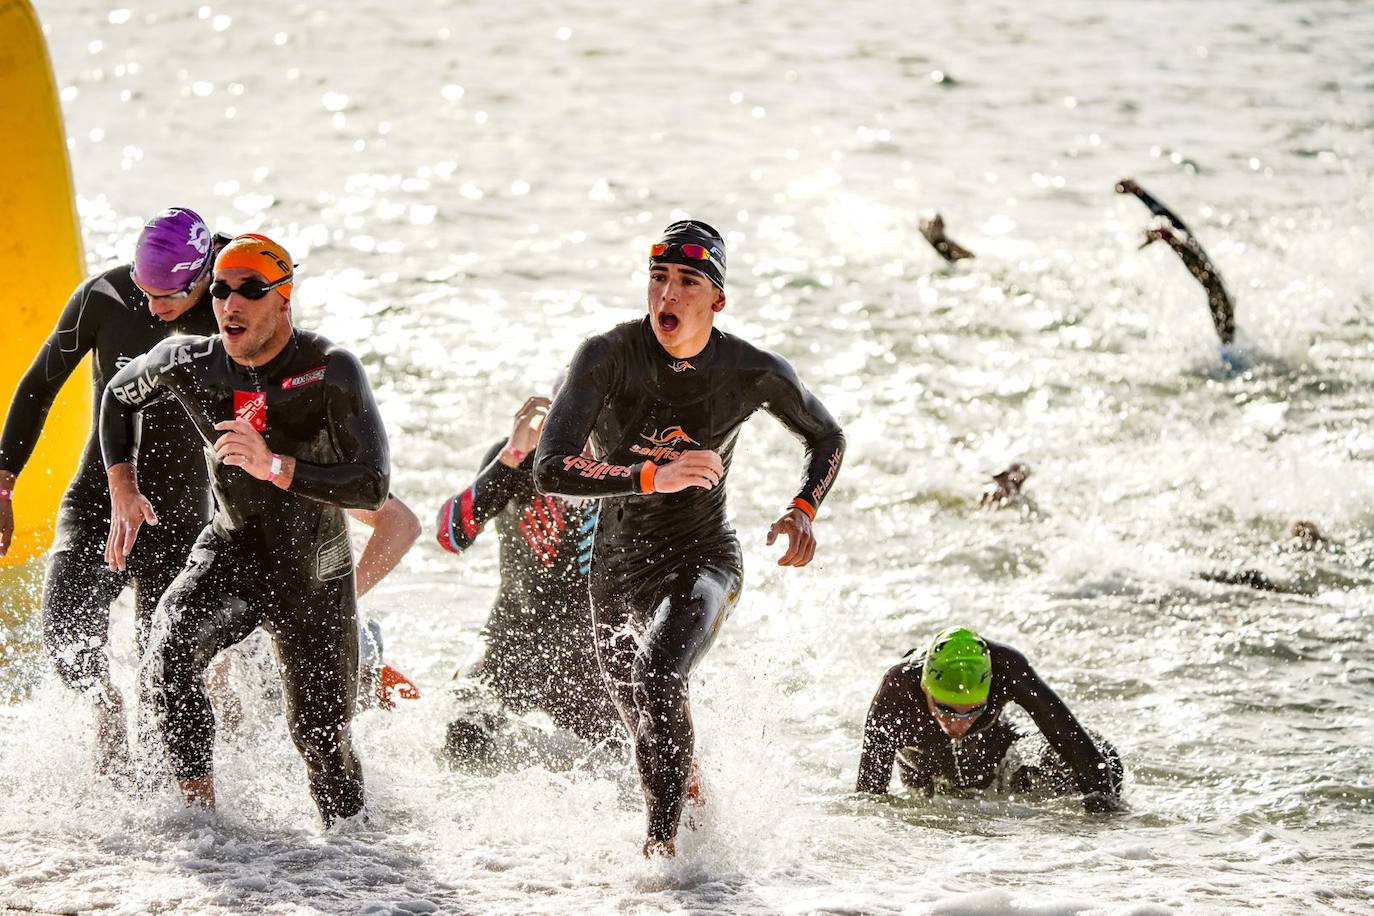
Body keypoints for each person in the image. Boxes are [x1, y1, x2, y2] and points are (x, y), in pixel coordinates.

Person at [534, 219, 846, 856]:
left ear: (717, 299)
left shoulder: (753, 372)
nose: (667, 295)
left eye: (686, 282)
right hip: (613, 567)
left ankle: (662, 857)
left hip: (702, 557)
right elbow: (552, 466)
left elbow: (827, 437)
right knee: (644, 722)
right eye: (658, 279)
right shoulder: (606, 357)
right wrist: (653, 474)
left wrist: (803, 508)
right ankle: (703, 836)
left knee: (658, 681)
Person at [100, 232, 390, 825]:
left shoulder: (330, 371)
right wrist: (122, 486)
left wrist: (274, 466)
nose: (231, 305)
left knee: (321, 743)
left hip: (314, 571)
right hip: (233, 550)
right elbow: (117, 396)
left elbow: (371, 486)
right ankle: (201, 825)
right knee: (169, 649)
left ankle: (361, 870)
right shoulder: (191, 362)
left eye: (251, 290)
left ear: (284, 298)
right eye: (222, 290)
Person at [0, 207, 224, 775]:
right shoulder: (104, 295)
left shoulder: (233, 304)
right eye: (144, 291)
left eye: (167, 297)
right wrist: (3, 480)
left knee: (166, 674)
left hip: (181, 513)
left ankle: (188, 823)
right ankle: (105, 712)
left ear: (201, 276)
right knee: (66, 637)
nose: (152, 308)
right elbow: (39, 384)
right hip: (99, 496)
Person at [436, 393, 620, 760]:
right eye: (568, 421)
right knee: (463, 733)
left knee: (622, 756)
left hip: (588, 656)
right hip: (509, 639)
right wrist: (510, 456)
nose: (581, 440)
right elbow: (451, 535)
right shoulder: (518, 463)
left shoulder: (627, 473)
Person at [207, 494, 422, 732]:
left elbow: (402, 523)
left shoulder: (299, 470)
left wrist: (344, 597)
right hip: (254, 631)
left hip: (334, 630)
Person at [856, 626, 1125, 813]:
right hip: (926, 776)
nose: (959, 723)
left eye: (973, 709)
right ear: (925, 688)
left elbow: (1074, 742)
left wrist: (1104, 818)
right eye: (946, 709)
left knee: (1106, 760)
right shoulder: (896, 691)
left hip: (992, 761)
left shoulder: (1007, 668)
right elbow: (869, 797)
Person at [1115, 177, 1235, 346]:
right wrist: (1139, 192)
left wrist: (1170, 239)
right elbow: (1175, 223)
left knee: (1213, 286)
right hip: (1226, 319)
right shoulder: (1186, 239)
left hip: (1228, 340)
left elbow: (1208, 278)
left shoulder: (1226, 326)